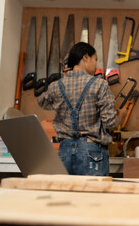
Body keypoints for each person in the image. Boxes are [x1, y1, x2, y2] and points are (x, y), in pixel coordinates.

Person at [38, 42, 118, 176]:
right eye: (95, 59)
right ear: (86, 57)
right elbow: (111, 123)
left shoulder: (56, 86)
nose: (96, 65)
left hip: (65, 151)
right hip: (93, 152)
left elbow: (42, 102)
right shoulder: (100, 84)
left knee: (68, 195)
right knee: (93, 196)